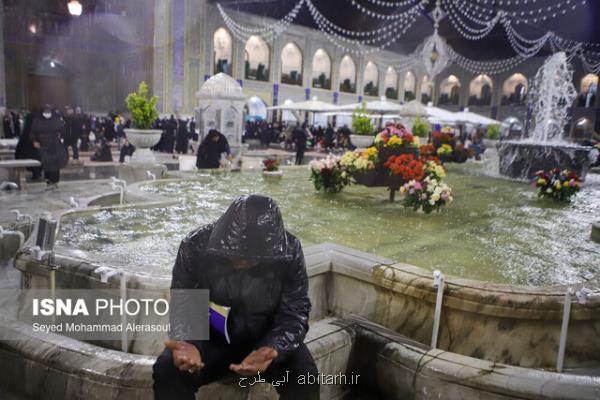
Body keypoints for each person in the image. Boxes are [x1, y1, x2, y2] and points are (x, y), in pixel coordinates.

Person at [153, 195, 318, 400]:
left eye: (251, 257)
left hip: (265, 338)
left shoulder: (289, 250)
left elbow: (295, 310)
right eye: (235, 253)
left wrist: (274, 346)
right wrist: (189, 343)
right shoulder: (195, 245)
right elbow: (186, 302)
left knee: (305, 375)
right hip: (211, 339)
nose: (242, 260)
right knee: (169, 368)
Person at [31, 105, 68, 188]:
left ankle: (55, 181)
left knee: (55, 163)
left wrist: (61, 138)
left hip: (54, 144)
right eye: (45, 112)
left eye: (48, 112)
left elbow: (63, 130)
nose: (47, 113)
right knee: (47, 163)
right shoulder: (37, 121)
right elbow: (33, 132)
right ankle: (48, 180)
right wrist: (34, 141)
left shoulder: (56, 120)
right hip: (43, 144)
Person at [14, 111, 42, 181]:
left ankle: (37, 175)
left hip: (26, 155)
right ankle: (37, 175)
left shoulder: (27, 130)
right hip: (31, 156)